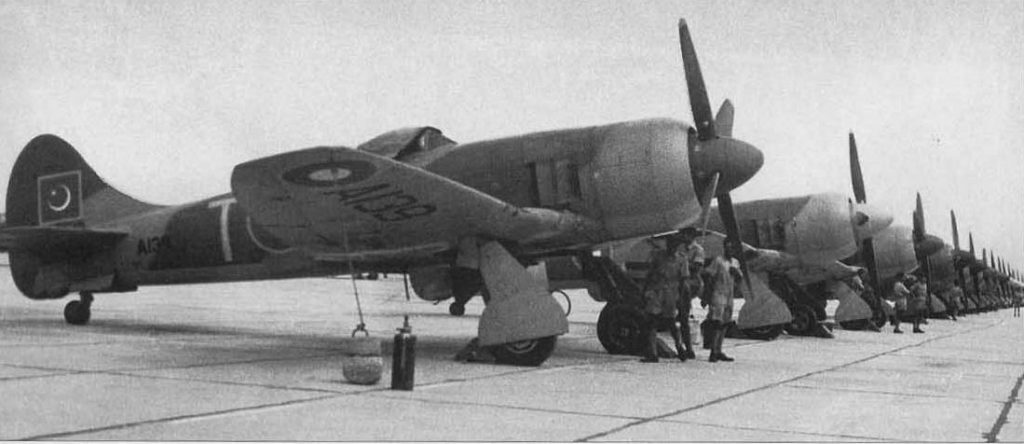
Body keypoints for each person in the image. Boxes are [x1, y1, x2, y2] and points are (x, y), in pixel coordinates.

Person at [639, 243, 687, 363]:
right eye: (670, 246)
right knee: (651, 322)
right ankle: (653, 353)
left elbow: (683, 280)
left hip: (671, 294)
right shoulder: (659, 256)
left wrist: (681, 298)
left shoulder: (681, 259)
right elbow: (650, 274)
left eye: (674, 246)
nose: (671, 248)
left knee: (671, 323)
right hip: (657, 292)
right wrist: (645, 290)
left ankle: (679, 346)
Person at [703, 240, 741, 363]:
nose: (730, 250)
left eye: (732, 248)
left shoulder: (735, 263)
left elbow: (739, 279)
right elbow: (709, 276)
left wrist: (737, 274)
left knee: (725, 323)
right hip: (718, 293)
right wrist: (706, 295)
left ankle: (719, 349)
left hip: (729, 295)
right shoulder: (718, 261)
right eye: (728, 248)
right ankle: (713, 351)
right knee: (717, 323)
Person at [671, 228, 704, 361]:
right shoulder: (680, 248)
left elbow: (697, 268)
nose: (684, 236)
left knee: (683, 316)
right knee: (676, 316)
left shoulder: (697, 250)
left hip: (690, 282)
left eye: (686, 234)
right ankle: (683, 346)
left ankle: (688, 348)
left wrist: (681, 264)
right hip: (677, 281)